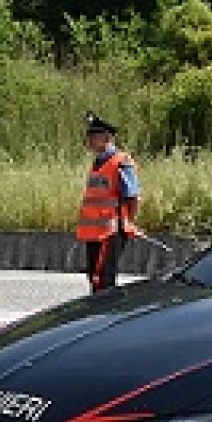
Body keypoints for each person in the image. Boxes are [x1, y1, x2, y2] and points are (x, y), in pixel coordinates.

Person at [76, 112, 141, 293]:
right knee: (95, 278)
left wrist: (129, 222)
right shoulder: (97, 163)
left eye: (93, 136)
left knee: (103, 279)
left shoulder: (121, 161)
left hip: (111, 231)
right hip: (95, 232)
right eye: (88, 136)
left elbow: (133, 196)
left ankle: (107, 317)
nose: (88, 140)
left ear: (106, 137)